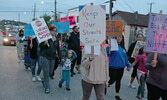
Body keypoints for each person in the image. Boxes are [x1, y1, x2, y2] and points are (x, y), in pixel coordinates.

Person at [106, 35, 130, 100]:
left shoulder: (123, 48)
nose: (119, 38)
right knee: (113, 79)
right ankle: (106, 85)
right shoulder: (113, 46)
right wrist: (108, 47)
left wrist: (128, 65)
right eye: (118, 37)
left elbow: (125, 58)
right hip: (112, 67)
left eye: (120, 37)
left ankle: (117, 94)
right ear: (115, 38)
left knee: (118, 81)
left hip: (121, 68)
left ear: (122, 39)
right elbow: (107, 53)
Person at [40, 26, 59, 94]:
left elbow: (58, 49)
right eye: (53, 30)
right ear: (50, 31)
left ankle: (43, 79)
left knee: (50, 72)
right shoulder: (45, 38)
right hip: (44, 56)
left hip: (52, 57)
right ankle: (47, 87)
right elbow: (41, 47)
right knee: (46, 71)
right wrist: (45, 43)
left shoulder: (57, 39)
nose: (55, 32)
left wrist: (61, 57)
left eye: (55, 31)